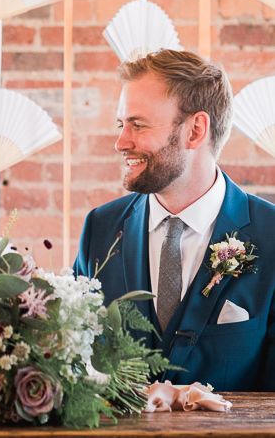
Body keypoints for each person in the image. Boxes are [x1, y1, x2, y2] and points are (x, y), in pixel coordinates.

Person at [74, 49, 275, 391]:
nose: (121, 142)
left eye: (137, 125)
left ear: (195, 130)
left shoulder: (271, 236)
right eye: (121, 125)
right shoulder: (100, 229)